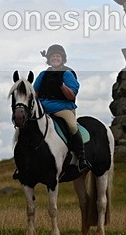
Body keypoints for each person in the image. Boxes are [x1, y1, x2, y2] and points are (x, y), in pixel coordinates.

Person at [33, 44, 91, 172]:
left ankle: (81, 157)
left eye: (58, 56)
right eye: (53, 56)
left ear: (62, 59)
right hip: (43, 109)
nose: (55, 58)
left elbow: (71, 96)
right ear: (49, 59)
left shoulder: (67, 74)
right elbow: (34, 92)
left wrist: (62, 86)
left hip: (62, 108)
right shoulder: (43, 74)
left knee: (72, 126)